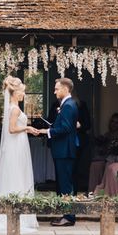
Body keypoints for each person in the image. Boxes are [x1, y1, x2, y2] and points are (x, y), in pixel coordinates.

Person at [0, 77, 39, 235]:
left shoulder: (12, 107)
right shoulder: (14, 108)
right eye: (22, 91)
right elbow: (12, 129)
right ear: (15, 93)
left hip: (17, 145)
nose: (24, 94)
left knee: (17, 175)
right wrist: (27, 127)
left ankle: (17, 213)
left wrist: (27, 129)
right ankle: (17, 216)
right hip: (16, 146)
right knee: (17, 176)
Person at [37, 78, 79, 226]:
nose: (54, 92)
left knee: (65, 185)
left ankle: (69, 217)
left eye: (57, 89)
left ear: (66, 89)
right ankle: (66, 214)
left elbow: (66, 128)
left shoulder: (68, 105)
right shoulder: (68, 104)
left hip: (65, 150)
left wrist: (47, 131)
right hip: (63, 150)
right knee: (63, 184)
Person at [90, 113, 118, 194]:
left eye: (117, 122)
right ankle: (92, 191)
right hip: (106, 157)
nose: (114, 124)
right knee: (95, 164)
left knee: (110, 164)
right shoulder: (107, 135)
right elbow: (102, 150)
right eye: (112, 121)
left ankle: (107, 190)